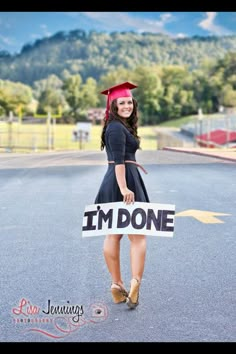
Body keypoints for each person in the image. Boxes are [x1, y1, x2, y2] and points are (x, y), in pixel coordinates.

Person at [94, 82, 150, 309]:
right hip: (123, 181)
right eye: (122, 102)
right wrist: (125, 188)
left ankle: (117, 285)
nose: (127, 106)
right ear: (113, 105)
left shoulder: (118, 126)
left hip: (120, 180)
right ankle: (134, 282)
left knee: (113, 235)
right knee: (137, 237)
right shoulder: (116, 128)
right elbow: (119, 162)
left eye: (129, 102)